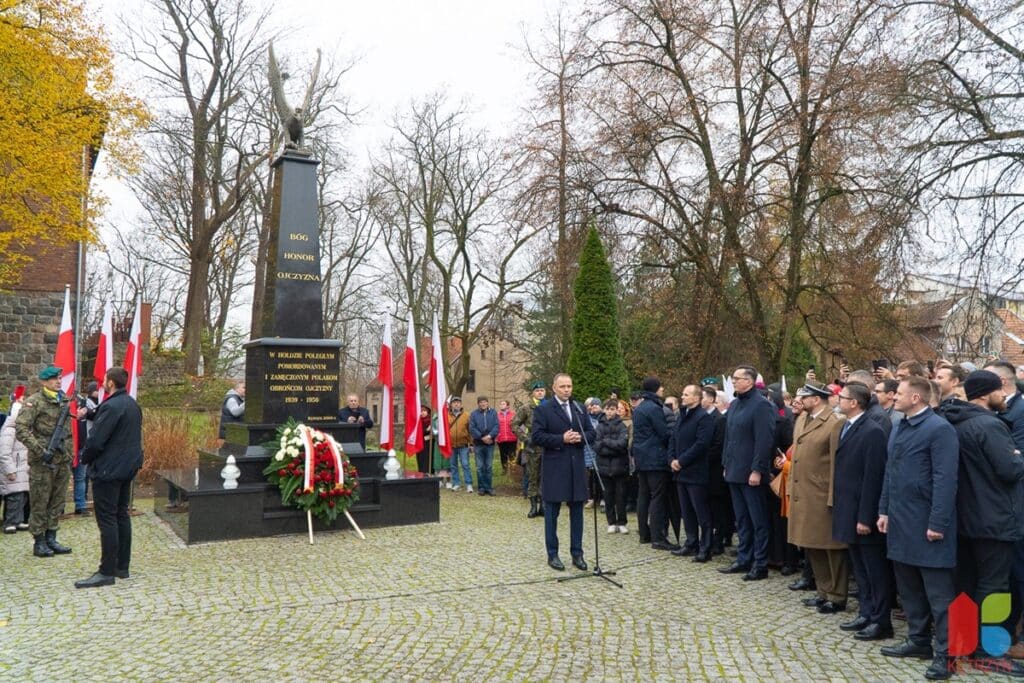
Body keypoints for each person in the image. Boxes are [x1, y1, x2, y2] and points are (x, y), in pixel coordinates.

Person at [878, 375, 959, 681]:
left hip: (928, 526)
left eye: (898, 392)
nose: (893, 396)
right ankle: (918, 640)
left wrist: (937, 522)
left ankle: (947, 654)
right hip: (900, 521)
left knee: (940, 596)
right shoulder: (899, 425)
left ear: (916, 398)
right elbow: (891, 472)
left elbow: (945, 479)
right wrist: (883, 510)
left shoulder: (940, 430)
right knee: (910, 588)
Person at [943, 370, 1024, 674]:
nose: (1004, 394)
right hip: (993, 518)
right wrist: (1018, 456)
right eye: (999, 390)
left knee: (965, 584)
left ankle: (962, 643)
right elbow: (1009, 468)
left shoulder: (954, 421)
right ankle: (989, 650)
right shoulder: (989, 425)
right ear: (983, 394)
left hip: (964, 518)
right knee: (995, 588)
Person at [831, 382, 892, 642]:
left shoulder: (872, 432)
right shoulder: (848, 426)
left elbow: (873, 478)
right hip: (848, 508)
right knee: (861, 568)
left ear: (854, 402)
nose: (838, 401)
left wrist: (866, 517)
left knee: (874, 570)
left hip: (862, 512)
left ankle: (881, 620)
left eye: (842, 397)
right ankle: (866, 613)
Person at [74, 367, 144, 589]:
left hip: (108, 470)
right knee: (121, 515)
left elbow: (96, 440)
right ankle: (122, 567)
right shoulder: (131, 403)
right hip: (126, 468)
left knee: (108, 519)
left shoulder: (113, 405)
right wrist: (91, 413)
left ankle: (106, 571)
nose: (102, 382)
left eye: (104, 380)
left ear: (111, 383)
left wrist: (84, 457)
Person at [788, 382, 847, 610]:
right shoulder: (802, 419)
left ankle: (837, 595)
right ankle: (823, 591)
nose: (799, 400)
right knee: (812, 544)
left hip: (821, 494)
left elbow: (836, 463)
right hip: (804, 493)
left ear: (817, 399)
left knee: (831, 547)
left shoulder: (834, 423)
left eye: (805, 397)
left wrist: (832, 496)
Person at [531, 373, 595, 571]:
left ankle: (577, 554)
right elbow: (537, 436)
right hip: (555, 468)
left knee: (577, 513)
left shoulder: (578, 408)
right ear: (554, 388)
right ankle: (553, 554)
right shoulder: (544, 409)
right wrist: (561, 439)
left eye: (569, 386)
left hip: (576, 468)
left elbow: (591, 432)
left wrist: (580, 438)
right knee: (552, 513)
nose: (567, 389)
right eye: (563, 386)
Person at [719, 365, 776, 581]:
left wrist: (757, 469)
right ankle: (743, 559)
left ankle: (760, 563)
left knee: (757, 520)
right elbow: (729, 437)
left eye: (737, 378)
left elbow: (764, 441)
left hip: (752, 473)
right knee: (742, 520)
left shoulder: (761, 406)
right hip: (734, 469)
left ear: (750, 381)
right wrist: (726, 463)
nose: (733, 381)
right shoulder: (734, 405)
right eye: (733, 378)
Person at [16, 365, 74, 558]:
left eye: (59, 378)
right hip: (42, 461)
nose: (58, 381)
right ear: (44, 382)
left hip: (62, 459)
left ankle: (52, 537)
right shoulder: (34, 402)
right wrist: (41, 451)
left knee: (57, 501)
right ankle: (39, 541)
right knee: (40, 501)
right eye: (54, 379)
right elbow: (22, 429)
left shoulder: (64, 399)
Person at [669, 384, 714, 562]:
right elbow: (673, 438)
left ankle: (705, 547)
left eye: (686, 394)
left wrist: (682, 461)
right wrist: (671, 459)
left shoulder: (704, 418)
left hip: (695, 472)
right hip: (680, 472)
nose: (682, 397)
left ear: (696, 398)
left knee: (701, 511)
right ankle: (691, 542)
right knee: (686, 511)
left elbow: (701, 444)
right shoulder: (682, 415)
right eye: (683, 393)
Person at [632, 377, 673, 551]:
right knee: (657, 497)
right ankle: (658, 537)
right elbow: (663, 432)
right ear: (656, 389)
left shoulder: (640, 407)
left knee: (643, 495)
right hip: (655, 458)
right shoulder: (655, 408)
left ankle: (644, 534)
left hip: (642, 457)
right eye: (661, 387)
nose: (663, 390)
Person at [594, 399, 629, 533]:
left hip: (619, 466)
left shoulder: (622, 426)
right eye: (608, 409)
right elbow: (596, 446)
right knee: (608, 496)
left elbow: (622, 445)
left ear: (616, 410)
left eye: (612, 409)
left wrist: (606, 441)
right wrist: (610, 446)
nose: (610, 411)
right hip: (603, 466)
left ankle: (622, 522)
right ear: (604, 410)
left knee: (621, 496)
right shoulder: (599, 426)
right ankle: (611, 522)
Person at [703, 387, 731, 555]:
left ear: (712, 400)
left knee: (718, 506)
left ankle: (719, 539)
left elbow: (718, 446)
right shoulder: (701, 418)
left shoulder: (719, 420)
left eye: (703, 397)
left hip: (714, 470)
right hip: (703, 471)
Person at [513, 382, 547, 518]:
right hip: (532, 448)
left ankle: (543, 506)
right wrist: (525, 438)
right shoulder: (526, 408)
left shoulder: (549, 407)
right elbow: (514, 424)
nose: (540, 393)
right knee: (533, 477)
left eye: (542, 390)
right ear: (533, 393)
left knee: (545, 478)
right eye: (537, 390)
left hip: (547, 446)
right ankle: (533, 507)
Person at [0, 386, 29, 533]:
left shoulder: (22, 430)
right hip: (13, 469)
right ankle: (10, 522)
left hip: (22, 468)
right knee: (13, 496)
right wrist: (10, 470)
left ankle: (18, 520)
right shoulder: (10, 430)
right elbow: (4, 452)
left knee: (21, 495)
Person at [73, 381, 99, 515]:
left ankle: (81, 504)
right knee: (75, 477)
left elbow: (95, 415)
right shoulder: (86, 403)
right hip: (72, 444)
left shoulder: (87, 404)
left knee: (81, 477)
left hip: (83, 444)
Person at [469, 396, 498, 496]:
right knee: (480, 467)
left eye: (485, 402)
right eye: (481, 402)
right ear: (478, 404)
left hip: (490, 443)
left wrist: (489, 436)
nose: (483, 404)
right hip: (479, 444)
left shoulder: (493, 413)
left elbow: (496, 426)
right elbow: (472, 428)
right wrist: (482, 437)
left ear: (487, 403)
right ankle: (481, 487)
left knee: (488, 466)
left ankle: (489, 487)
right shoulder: (474, 414)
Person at [447, 397, 472, 492]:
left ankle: (468, 484)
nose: (456, 404)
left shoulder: (466, 415)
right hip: (451, 445)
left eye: (458, 403)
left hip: (463, 445)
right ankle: (456, 483)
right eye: (454, 403)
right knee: (453, 465)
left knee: (465, 465)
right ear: (451, 405)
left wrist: (471, 444)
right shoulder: (447, 416)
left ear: (461, 404)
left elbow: (470, 430)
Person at [496, 400, 517, 475]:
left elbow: (517, 424)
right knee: (503, 455)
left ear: (508, 406)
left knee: (512, 454)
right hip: (501, 438)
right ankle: (504, 469)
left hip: (512, 438)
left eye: (503, 404)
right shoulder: (497, 415)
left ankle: (513, 470)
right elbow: (495, 426)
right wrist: (497, 435)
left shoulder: (513, 414)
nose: (501, 405)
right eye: (500, 404)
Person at [418, 405, 433, 475]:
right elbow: (419, 432)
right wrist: (427, 430)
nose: (422, 413)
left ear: (427, 412)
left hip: (429, 443)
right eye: (421, 411)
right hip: (420, 443)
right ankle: (422, 473)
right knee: (421, 459)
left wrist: (429, 430)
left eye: (424, 411)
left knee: (428, 458)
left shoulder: (431, 420)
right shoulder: (418, 421)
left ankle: (429, 472)